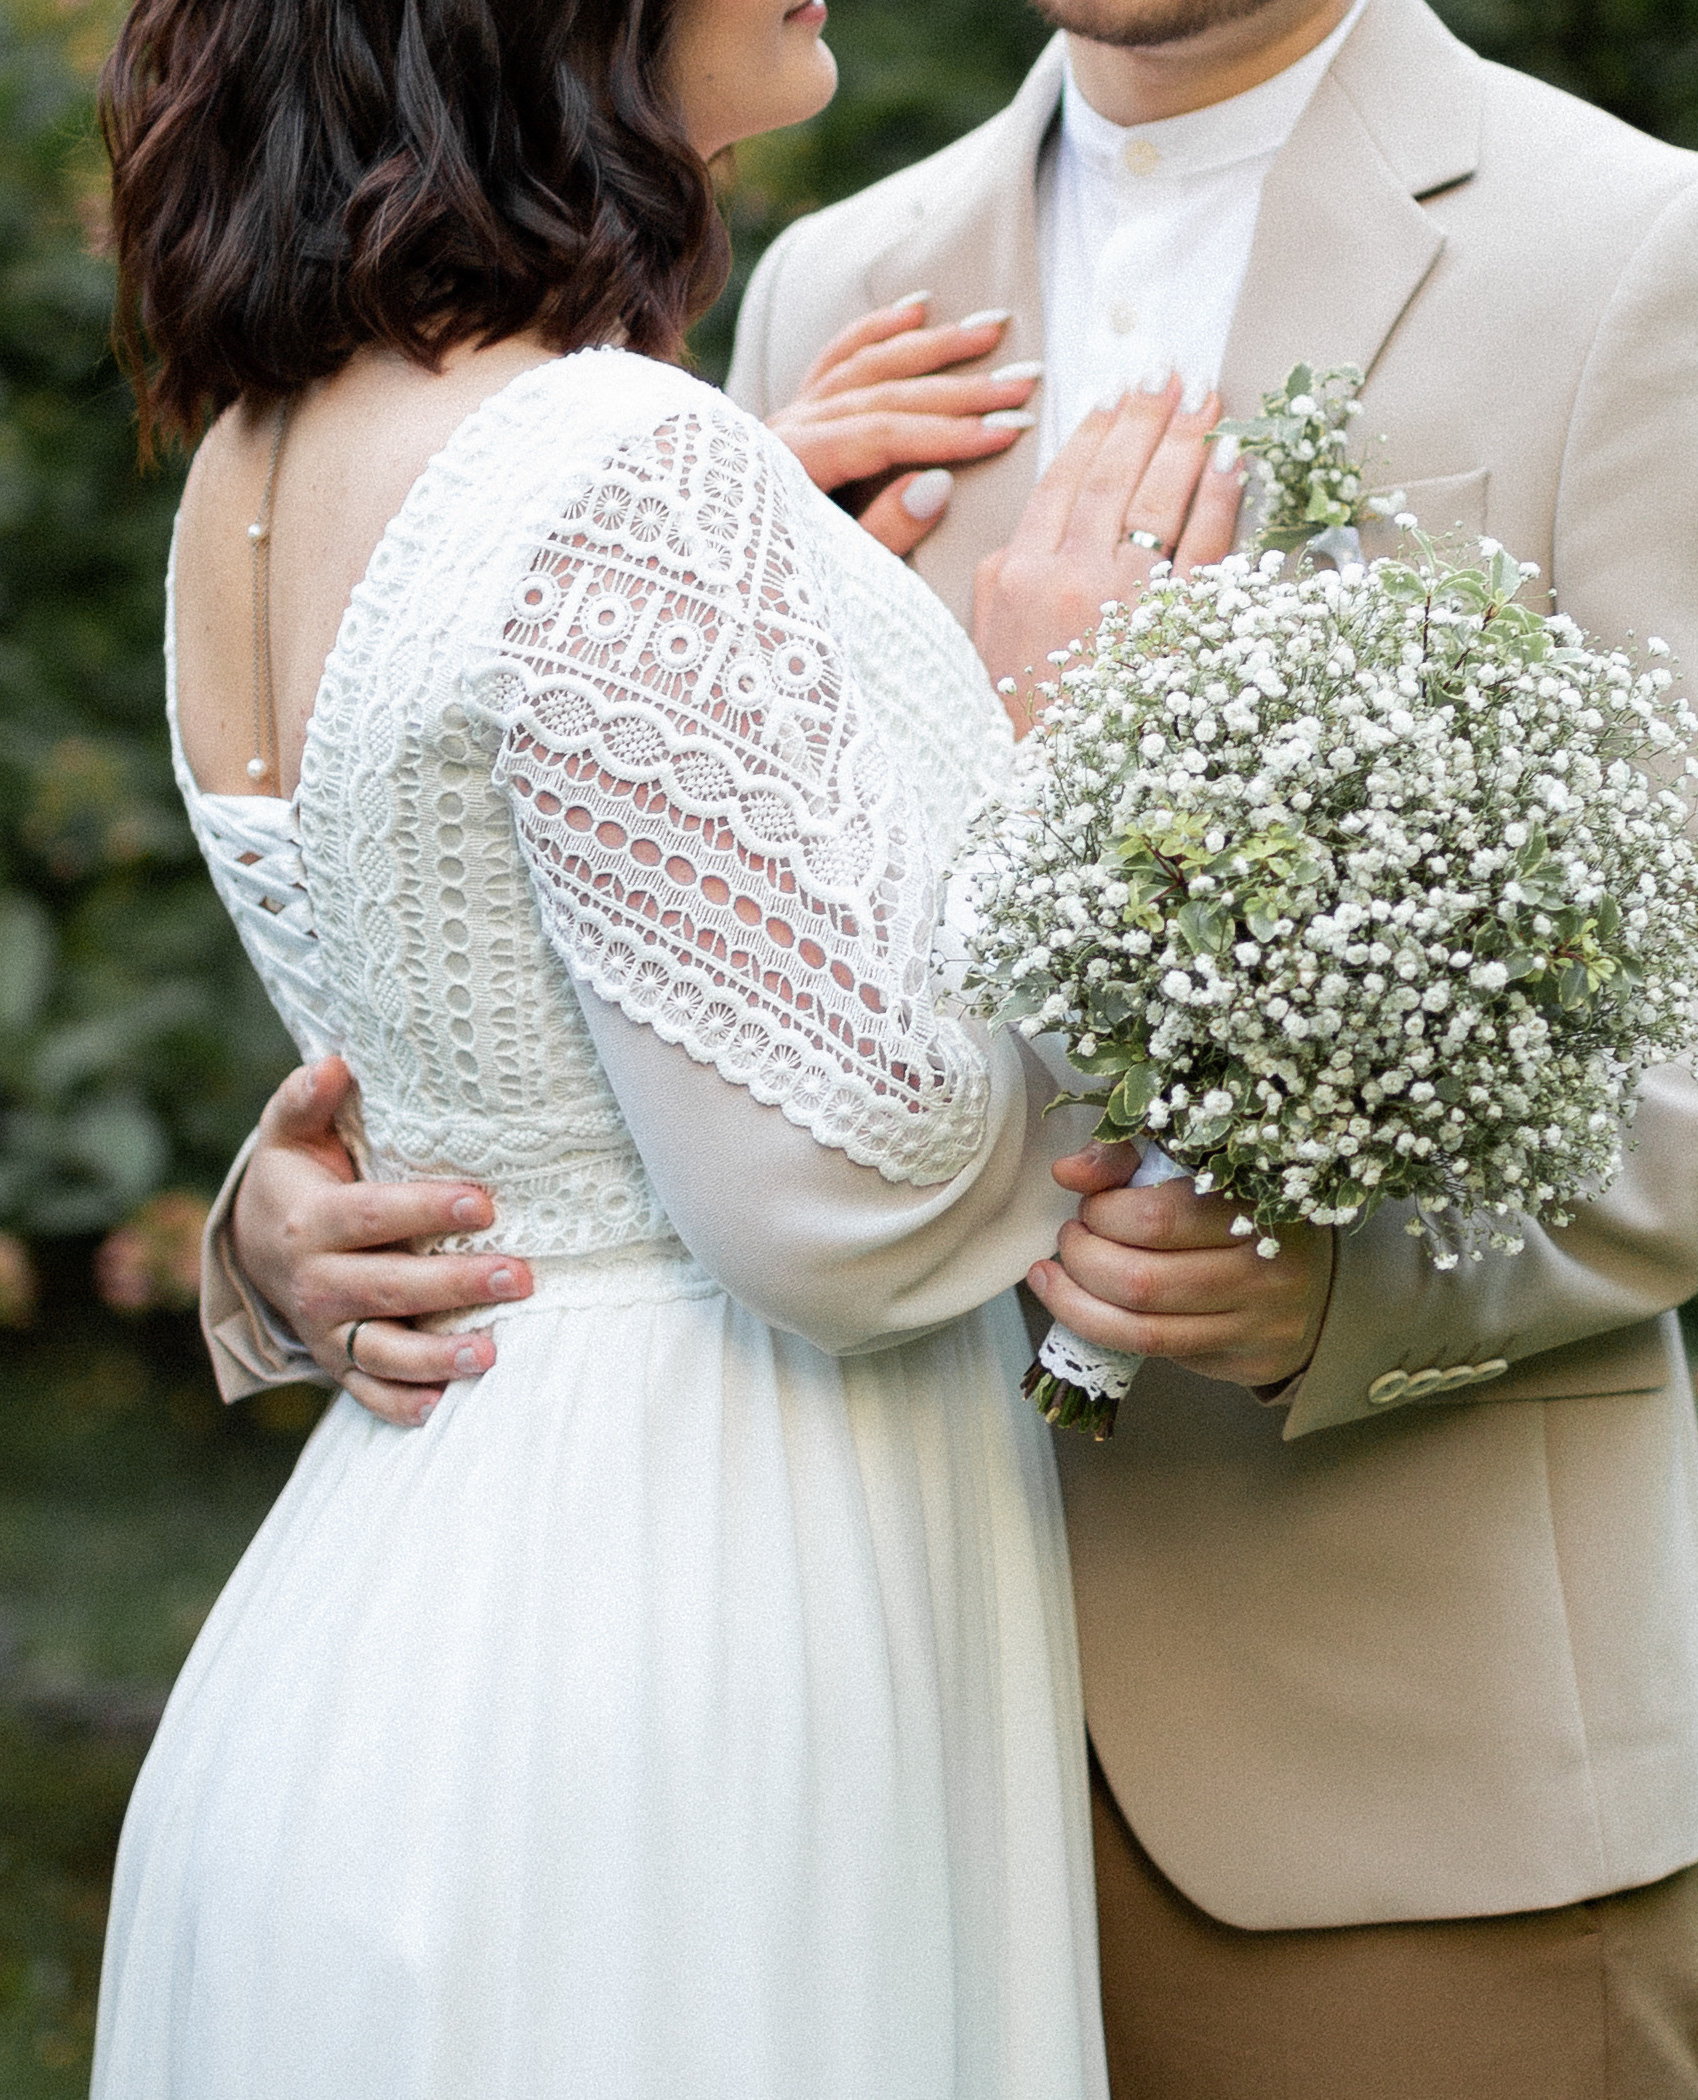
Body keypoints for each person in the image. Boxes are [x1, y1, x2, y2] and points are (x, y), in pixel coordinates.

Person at [202, 0, 1698, 2092]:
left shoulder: (1642, 251)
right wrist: (295, 1211)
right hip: (829, 1762)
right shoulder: (835, 280)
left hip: (1381, 1784)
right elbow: (638, 937)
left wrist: (1351, 1280)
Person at [87, 0, 1264, 2092]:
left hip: (400, 1600)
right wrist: (1057, 711)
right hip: (682, 1628)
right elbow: (854, 1191)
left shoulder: (255, 472)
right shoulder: (620, 469)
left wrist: (768, 556)